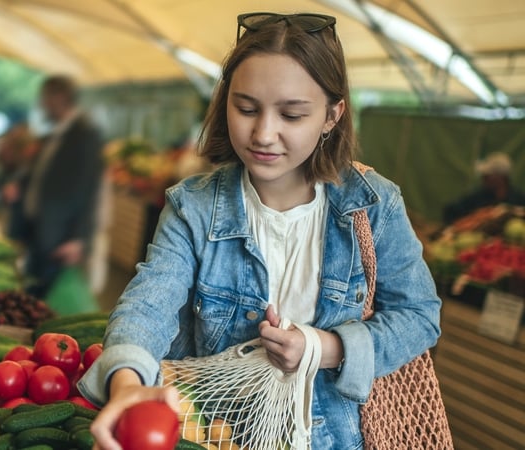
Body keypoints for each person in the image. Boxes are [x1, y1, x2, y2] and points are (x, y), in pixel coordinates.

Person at [78, 12, 442, 449]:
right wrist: (127, 381)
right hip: (215, 434)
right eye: (246, 108)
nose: (263, 133)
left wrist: (326, 348)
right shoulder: (193, 206)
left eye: (291, 115)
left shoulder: (374, 205)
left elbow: (419, 315)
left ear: (332, 115)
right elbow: (148, 304)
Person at [16, 75, 105, 298]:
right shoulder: (54, 134)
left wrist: (79, 238)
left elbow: (89, 190)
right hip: (39, 230)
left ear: (60, 97)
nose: (42, 104)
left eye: (46, 98)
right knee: (32, 291)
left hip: (59, 238)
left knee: (48, 298)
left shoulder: (85, 136)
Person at [443, 151, 525, 224]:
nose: (483, 178)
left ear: (501, 178)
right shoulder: (476, 198)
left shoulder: (518, 200)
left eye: (487, 176)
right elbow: (450, 211)